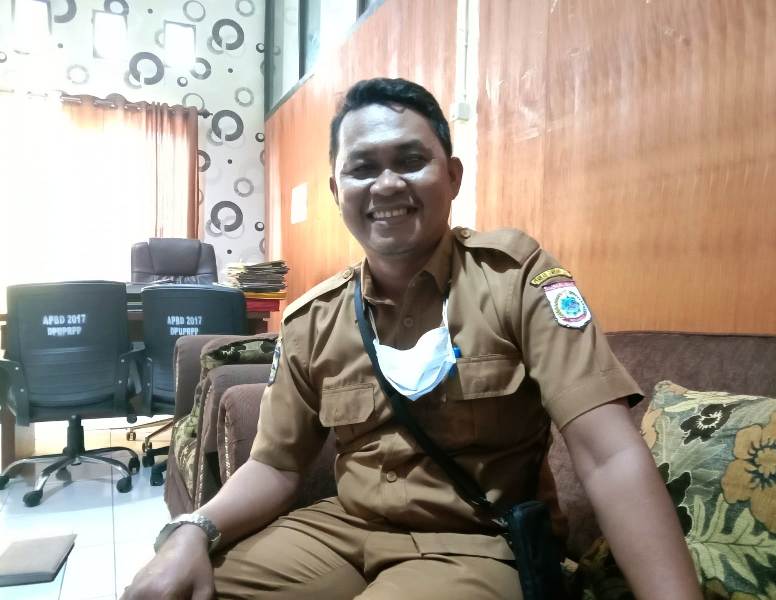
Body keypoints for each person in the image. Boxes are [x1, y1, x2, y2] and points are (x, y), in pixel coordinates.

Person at [122, 78, 701, 599]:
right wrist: (192, 530)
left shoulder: (515, 280)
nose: (387, 184)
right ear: (337, 190)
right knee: (180, 588)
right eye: (363, 168)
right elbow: (275, 466)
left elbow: (608, 455)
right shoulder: (313, 320)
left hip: (475, 542)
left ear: (452, 176)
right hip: (342, 530)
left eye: (411, 160)